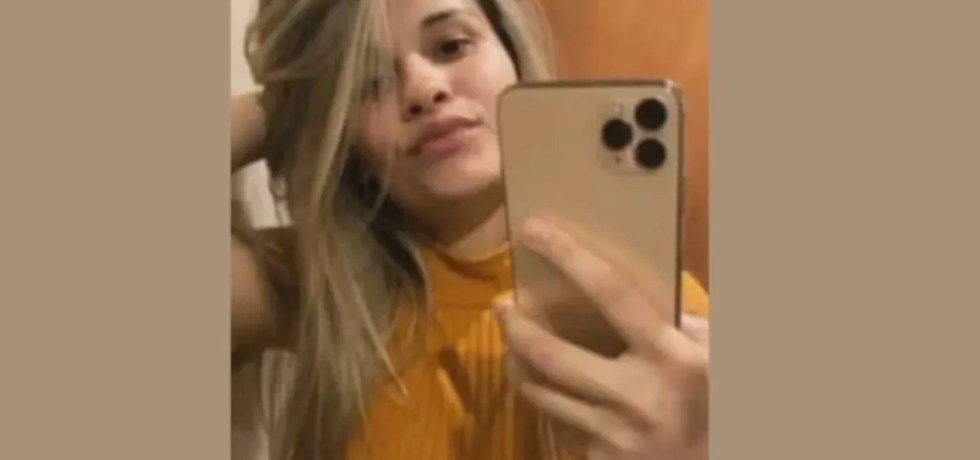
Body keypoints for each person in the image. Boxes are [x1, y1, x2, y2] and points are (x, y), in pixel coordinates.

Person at [230, 0, 710, 459]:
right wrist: (291, 103)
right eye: (368, 82)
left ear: (513, 55)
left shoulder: (670, 325)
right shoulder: (331, 289)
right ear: (346, 136)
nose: (423, 89)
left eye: (452, 46)